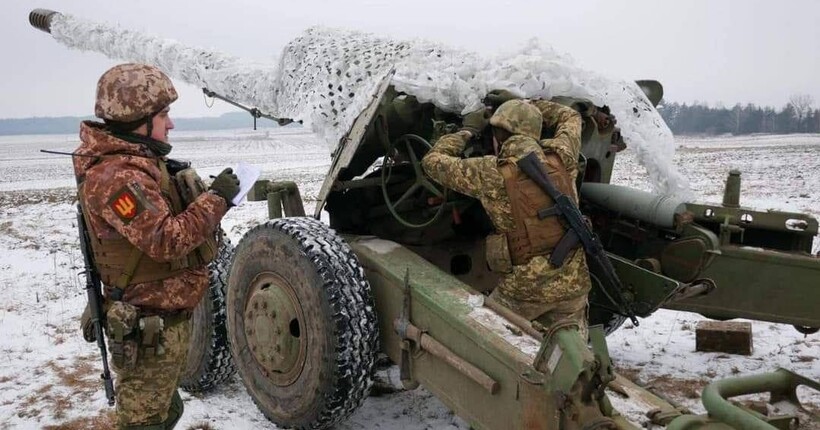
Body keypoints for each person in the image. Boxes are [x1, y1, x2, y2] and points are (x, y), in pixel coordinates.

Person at [73, 63, 240, 429]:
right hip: (149, 329)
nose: (171, 124)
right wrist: (218, 200)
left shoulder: (138, 164)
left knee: (167, 412)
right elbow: (167, 240)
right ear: (138, 119)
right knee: (145, 423)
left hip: (163, 325)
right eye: (163, 114)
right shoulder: (117, 178)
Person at [421, 97, 591, 338]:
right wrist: (532, 104)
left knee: (484, 340)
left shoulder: (490, 173)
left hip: (524, 291)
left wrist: (467, 132)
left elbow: (431, 162)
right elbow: (571, 117)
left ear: (497, 138)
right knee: (570, 356)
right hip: (575, 286)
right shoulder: (563, 155)